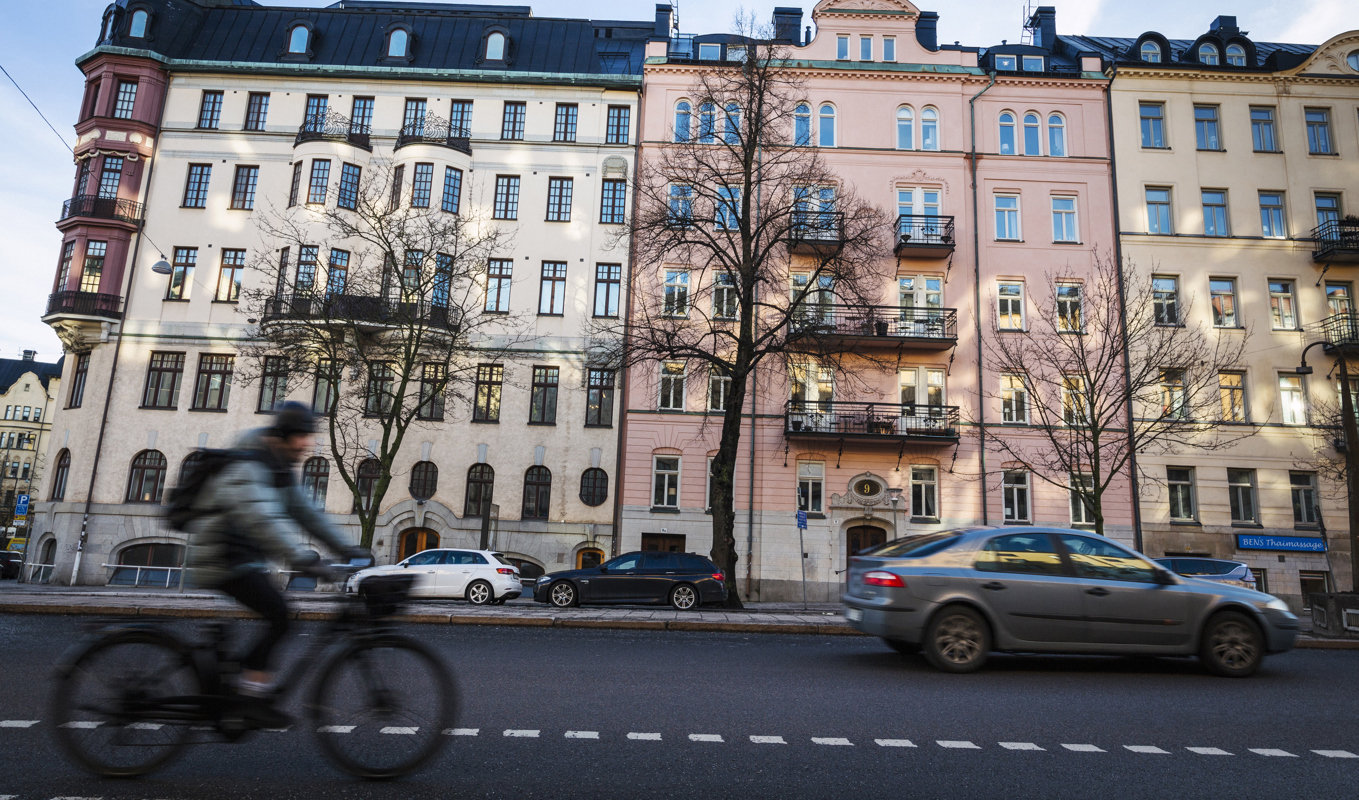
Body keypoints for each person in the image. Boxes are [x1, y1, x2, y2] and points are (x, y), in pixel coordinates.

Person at [184, 402, 358, 728]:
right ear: (283, 436)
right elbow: (264, 520)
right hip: (221, 555)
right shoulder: (249, 465)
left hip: (242, 555)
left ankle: (236, 683)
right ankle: (248, 697)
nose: (308, 445)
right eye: (302, 437)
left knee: (277, 615)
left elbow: (307, 513)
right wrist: (304, 559)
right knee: (279, 614)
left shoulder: (278, 467)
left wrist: (346, 547)